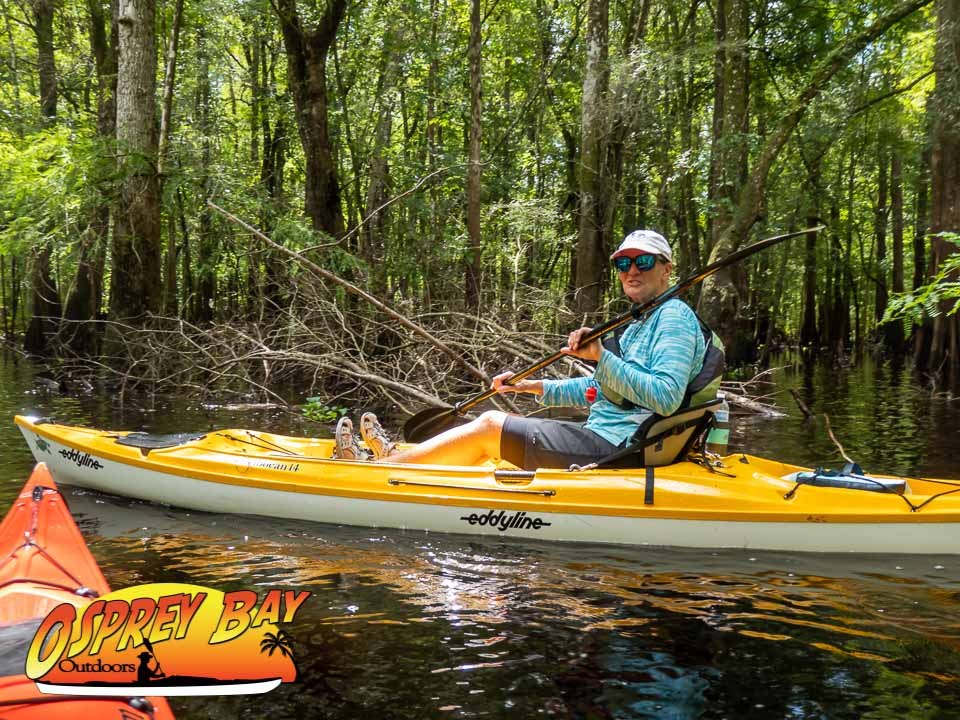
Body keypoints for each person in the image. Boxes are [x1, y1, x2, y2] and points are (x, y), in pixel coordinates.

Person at [335, 229, 709, 470]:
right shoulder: (640, 321)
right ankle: (400, 458)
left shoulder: (673, 318)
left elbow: (665, 398)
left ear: (666, 270)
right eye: (624, 263)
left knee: (490, 425)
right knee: (493, 427)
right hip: (606, 435)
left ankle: (383, 468)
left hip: (621, 446)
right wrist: (531, 387)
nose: (632, 270)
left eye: (643, 261)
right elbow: (602, 390)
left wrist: (601, 357)